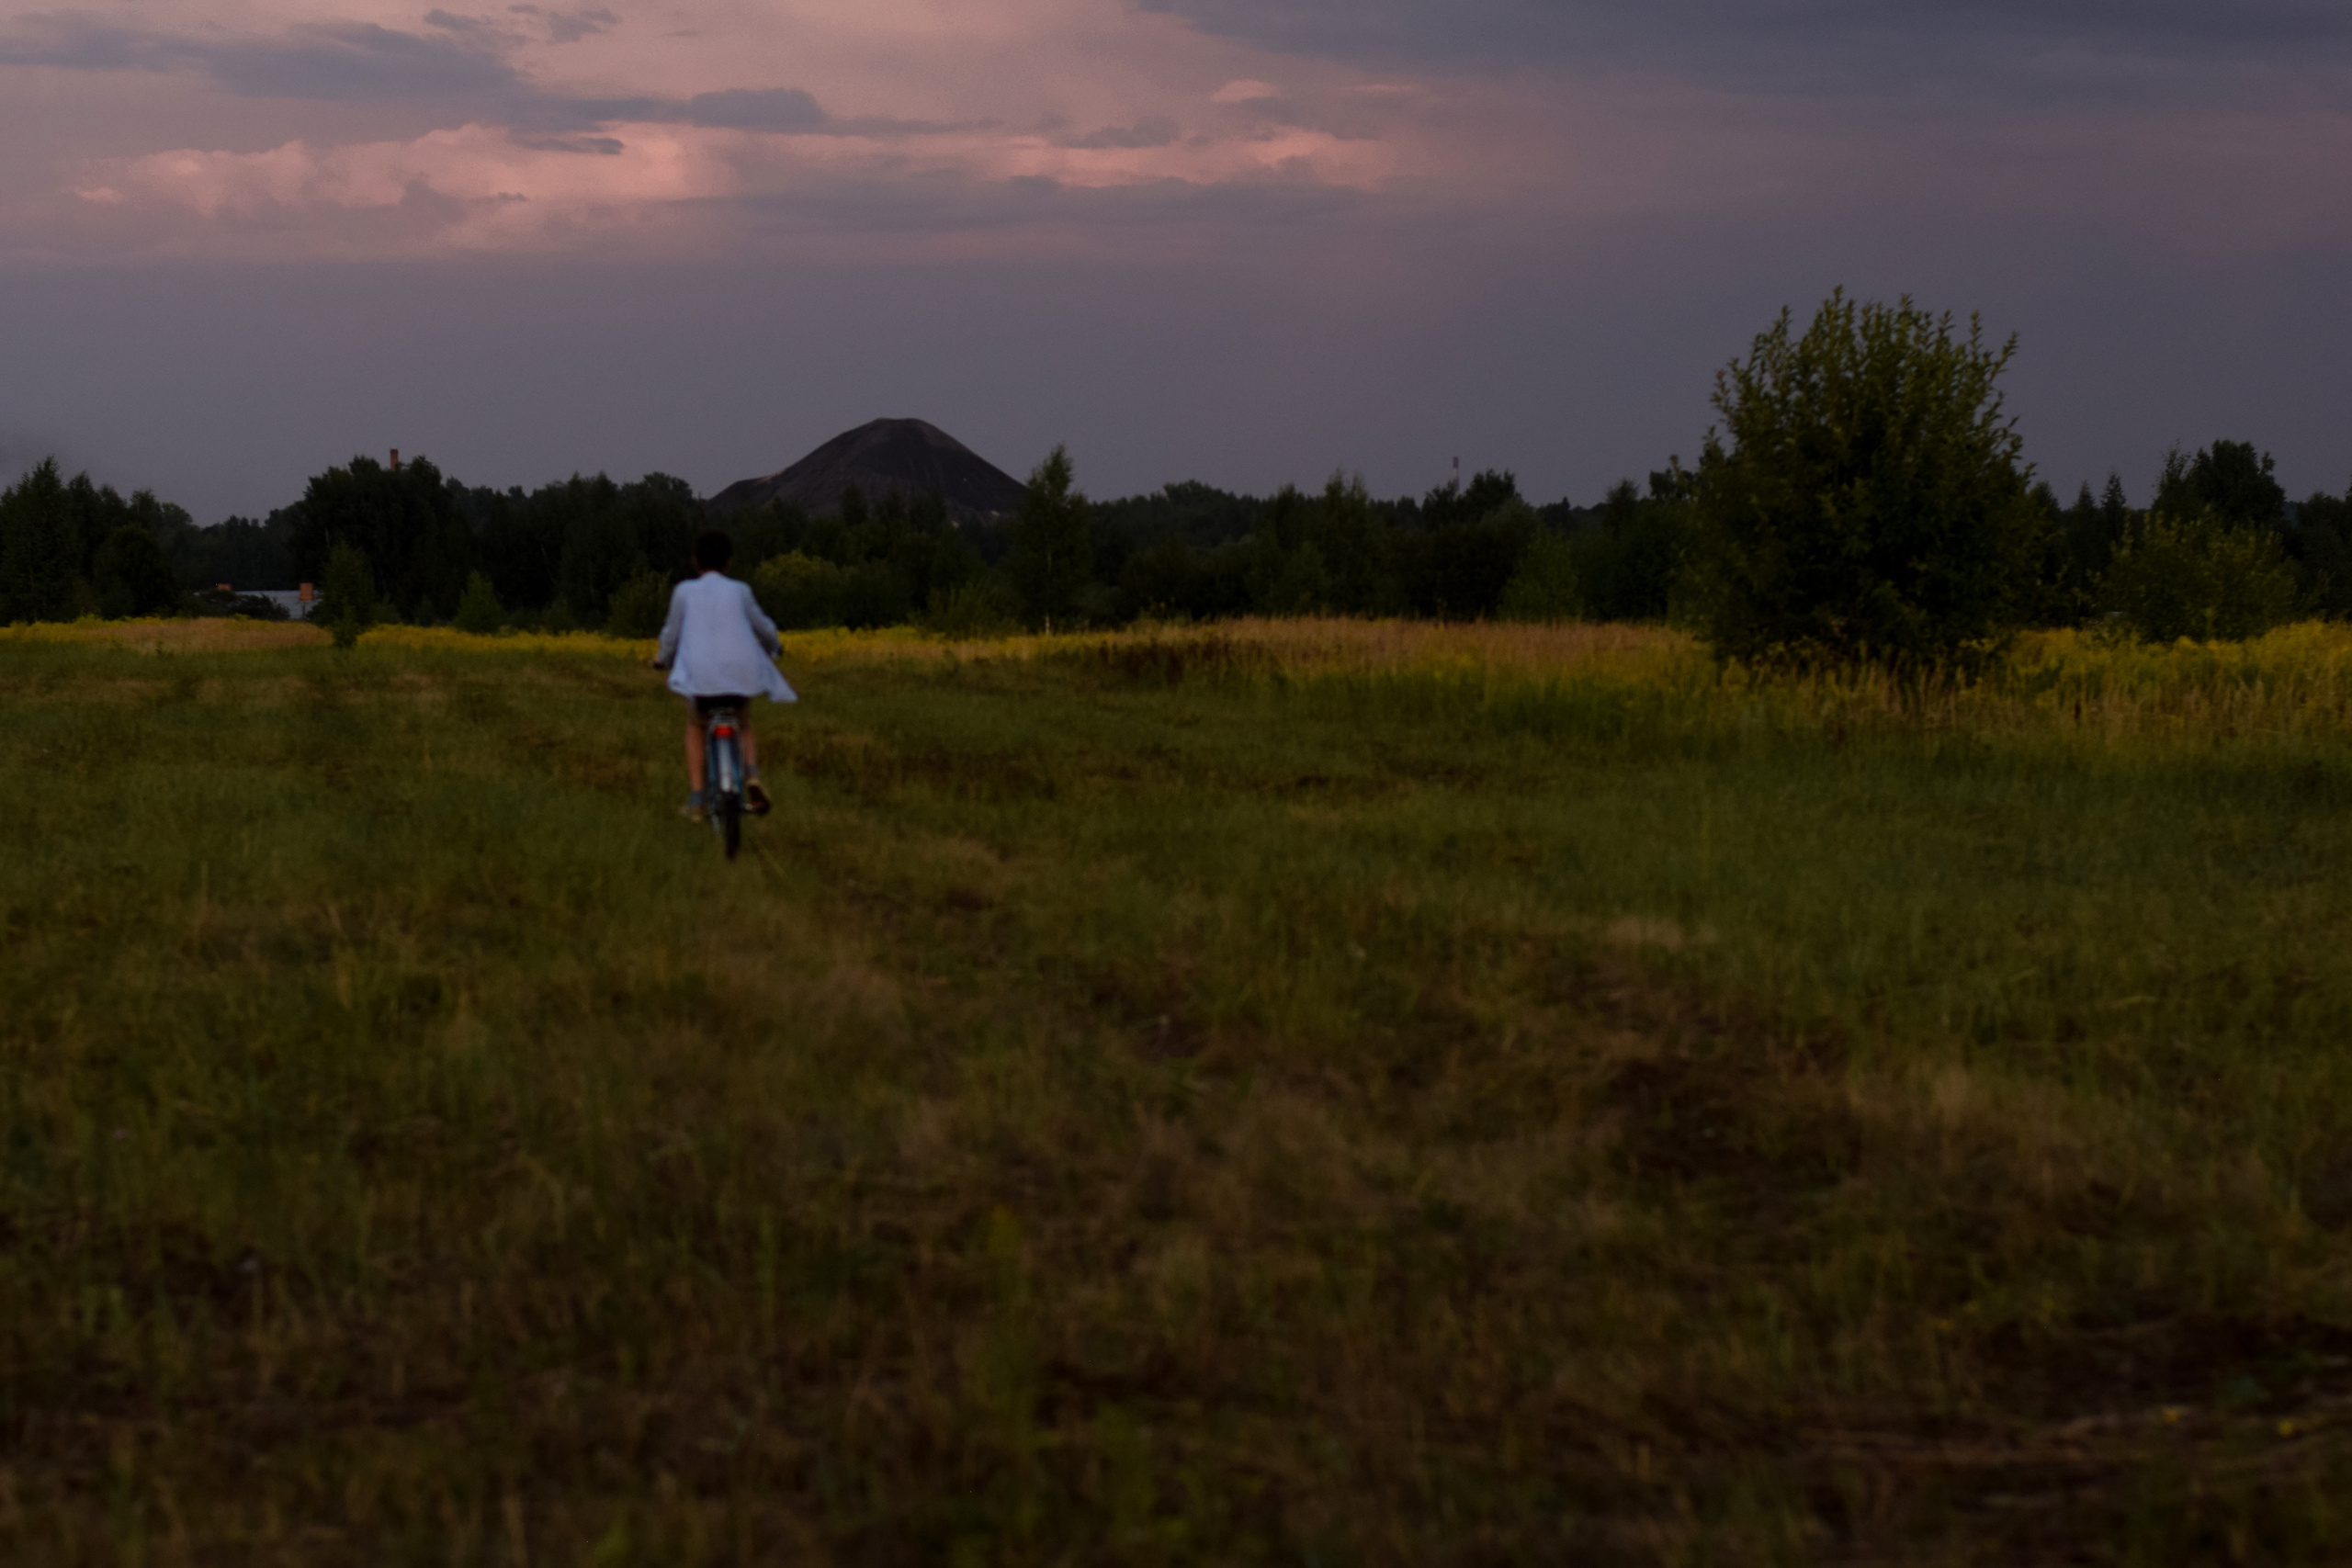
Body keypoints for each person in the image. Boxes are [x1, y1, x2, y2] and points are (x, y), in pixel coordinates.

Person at [652, 529, 797, 821]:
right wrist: (775, 647)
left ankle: (696, 801)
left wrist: (662, 659)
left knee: (695, 726)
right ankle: (752, 775)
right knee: (743, 723)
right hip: (740, 675)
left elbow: (671, 635)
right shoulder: (740, 590)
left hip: (701, 680)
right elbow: (763, 627)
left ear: (695, 560)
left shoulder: (684, 592)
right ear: (728, 561)